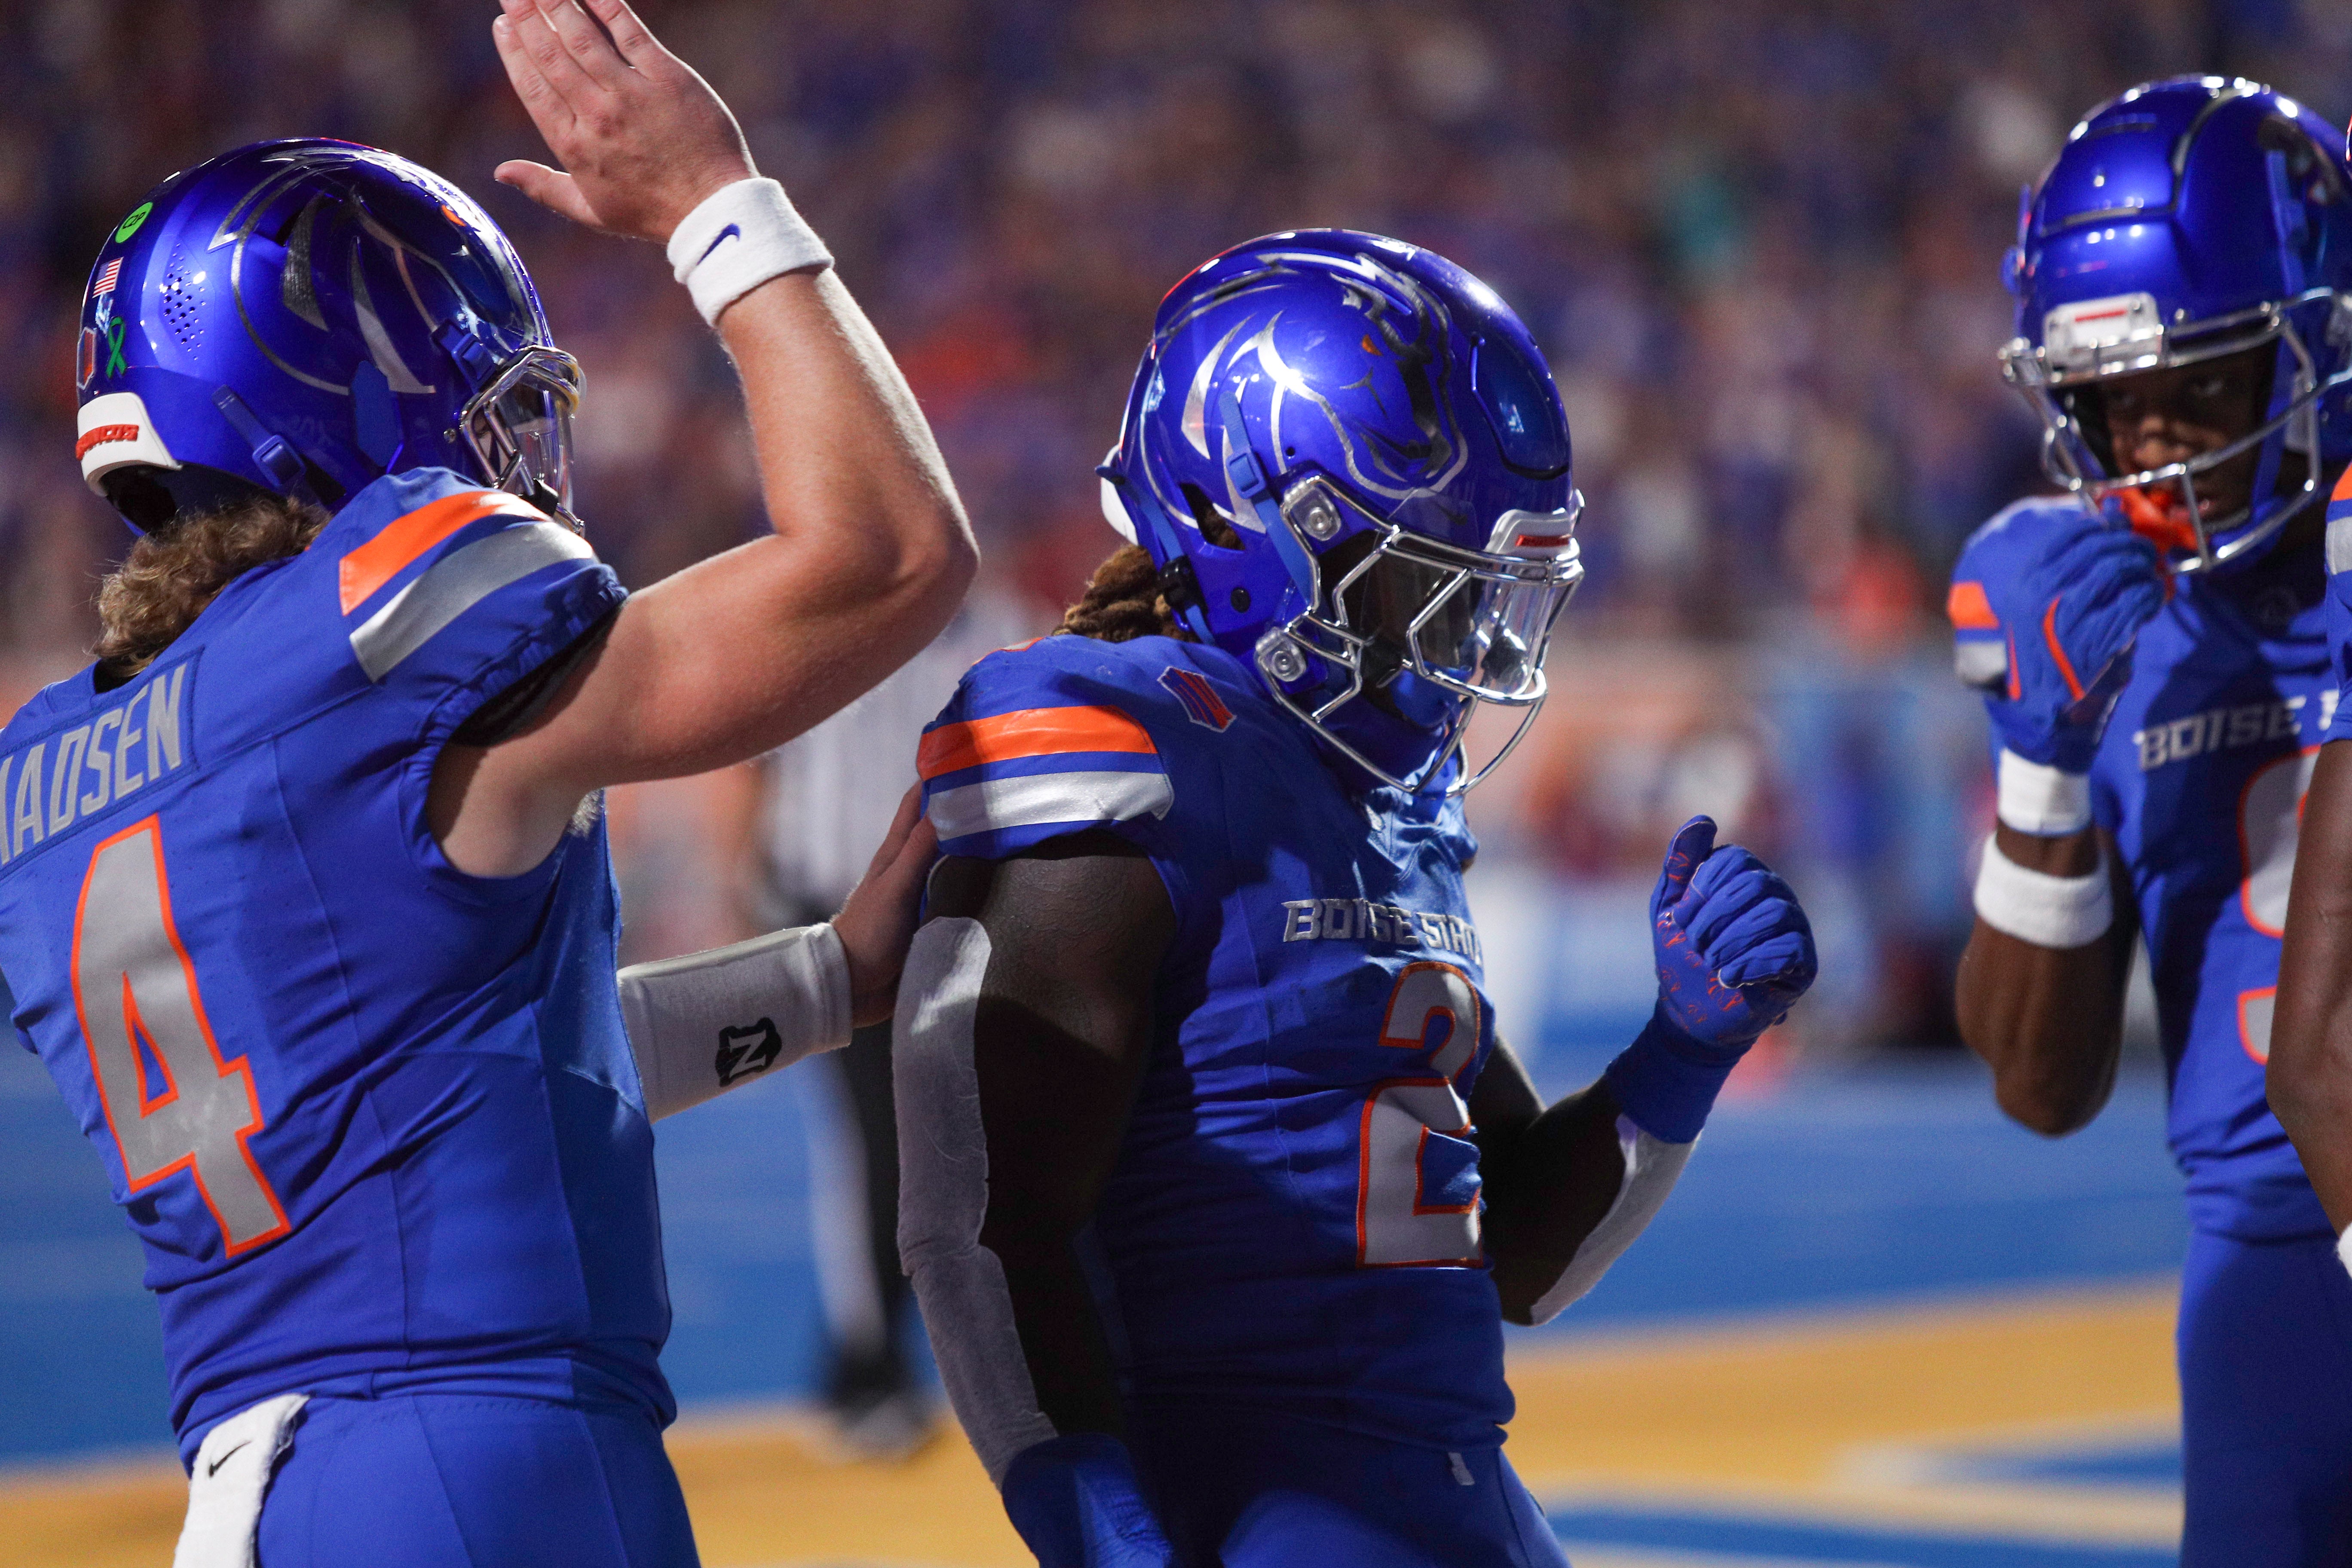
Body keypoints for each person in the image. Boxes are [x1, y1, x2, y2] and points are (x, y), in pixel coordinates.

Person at [0, 0, 976, 1562]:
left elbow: (453, 1067)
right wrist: (716, 205)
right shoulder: (388, 634)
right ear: (342, 390)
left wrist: (828, 978)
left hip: (256, 1488)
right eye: (497, 399)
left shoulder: (59, 768)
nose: (513, 445)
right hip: (478, 1458)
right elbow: (886, 557)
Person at [889, 230, 1817, 1567]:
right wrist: (1105, 1542)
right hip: (1256, 1503)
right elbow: (980, 1217)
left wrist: (1680, 1053)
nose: (1465, 649)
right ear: (1258, 530)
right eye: (1427, 589)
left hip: (1456, 1490)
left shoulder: (1380, 797)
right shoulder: (1129, 744)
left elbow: (1509, 1261)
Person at [1948, 77, 2352, 1566]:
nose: (2154, 445)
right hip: (2262, 1266)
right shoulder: (2098, 608)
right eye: (2114, 401)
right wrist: (2044, 760)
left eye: (2208, 381)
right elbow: (2041, 1087)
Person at [714, 589, 1026, 1459]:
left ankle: (878, 1363)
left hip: (946, 916)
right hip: (832, 914)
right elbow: (759, 769)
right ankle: (865, 1365)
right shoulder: (827, 632)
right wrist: (743, 891)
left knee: (930, 1145)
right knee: (875, 1145)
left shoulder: (991, 635)